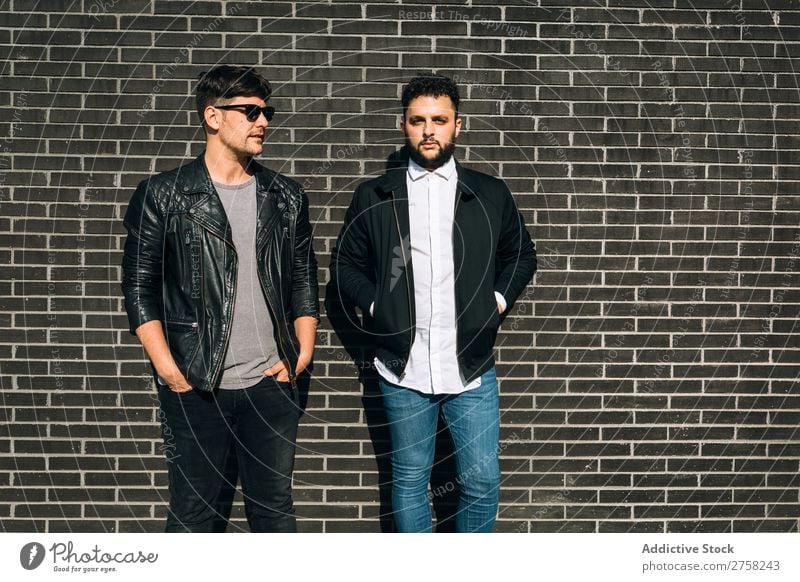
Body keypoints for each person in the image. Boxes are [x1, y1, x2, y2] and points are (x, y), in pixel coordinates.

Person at [330, 75, 537, 532]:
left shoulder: (489, 193)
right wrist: (378, 306)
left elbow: (521, 255)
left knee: (482, 480)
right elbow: (345, 264)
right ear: (404, 125)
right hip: (402, 368)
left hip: (470, 367)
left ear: (457, 126)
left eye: (439, 120)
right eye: (418, 121)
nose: (429, 130)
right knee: (408, 479)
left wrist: (496, 302)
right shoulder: (376, 195)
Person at [121, 65, 318, 532]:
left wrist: (302, 353)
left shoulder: (286, 197)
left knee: (273, 513)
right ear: (212, 116)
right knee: (195, 516)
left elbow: (302, 280)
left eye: (266, 112)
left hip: (272, 384)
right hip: (195, 385)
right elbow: (138, 287)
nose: (263, 122)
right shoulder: (163, 195)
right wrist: (170, 369)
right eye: (249, 111)